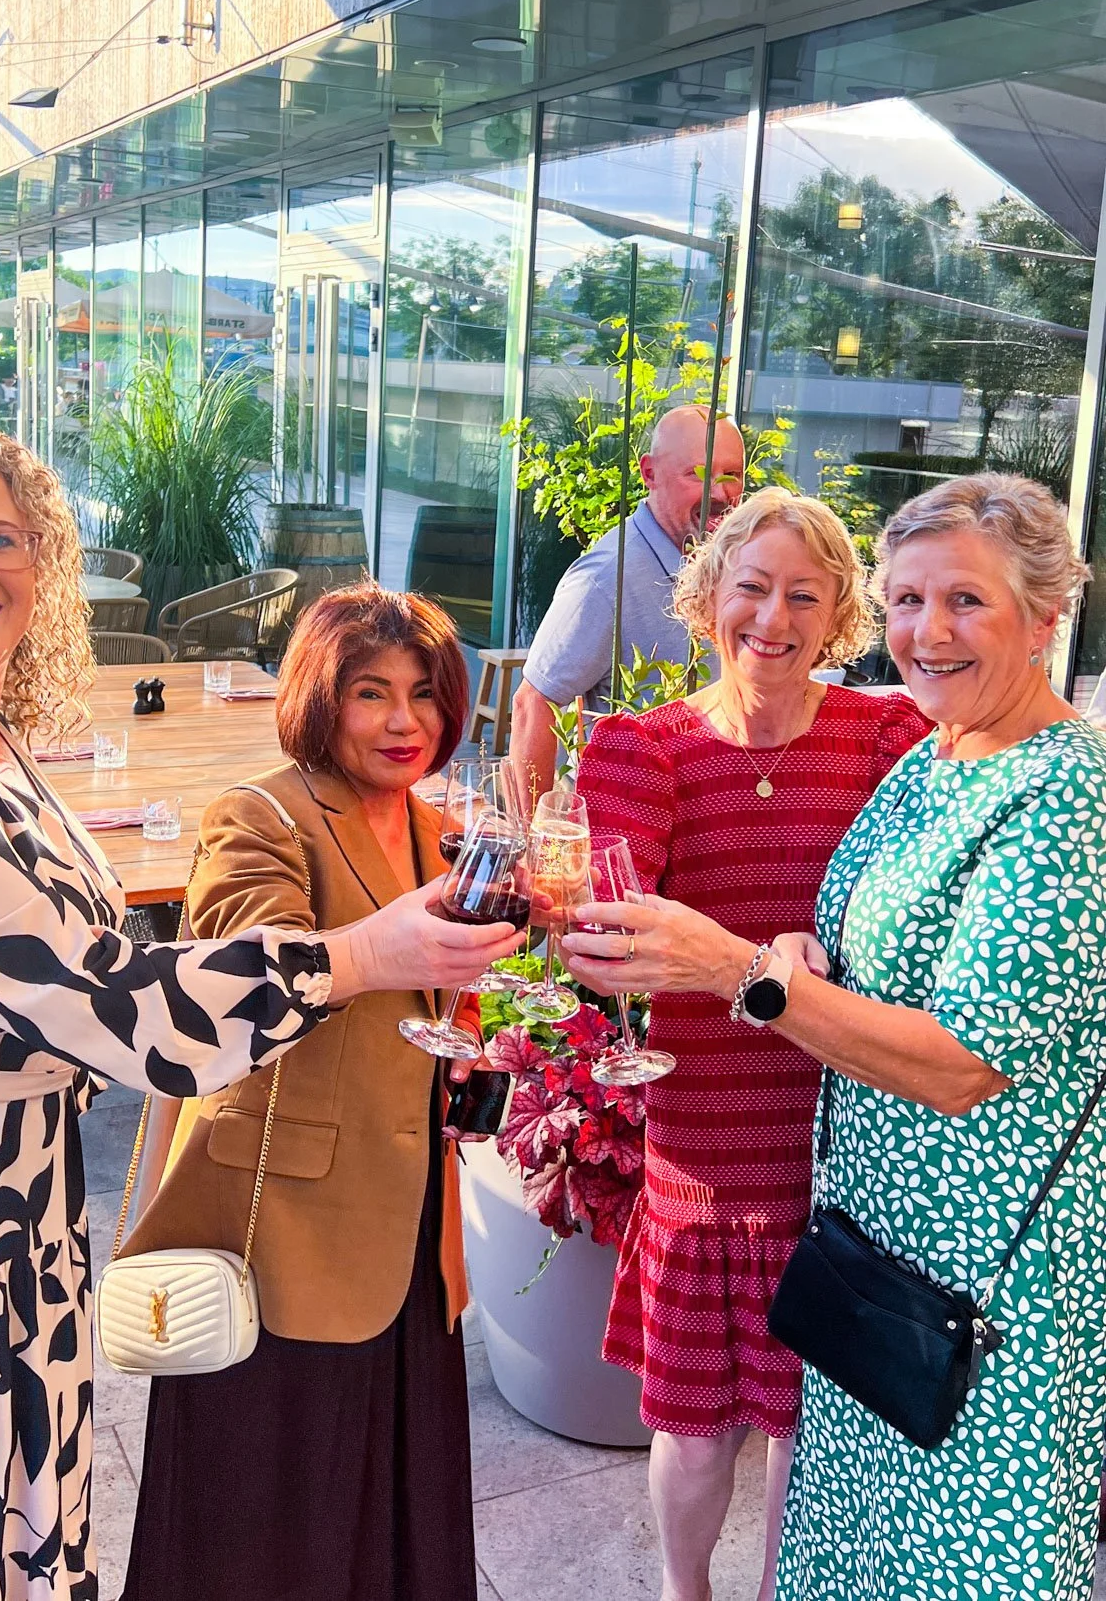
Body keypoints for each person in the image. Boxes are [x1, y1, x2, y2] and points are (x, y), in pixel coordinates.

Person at [0, 425, 522, 1601]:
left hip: (16, 1225)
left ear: (43, 565)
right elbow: (119, 1009)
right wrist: (359, 954)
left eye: (3, 538)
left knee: (17, 1540)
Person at [563, 472, 1106, 1601]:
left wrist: (741, 970)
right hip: (864, 1240)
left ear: (1045, 615)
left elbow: (963, 1065)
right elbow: (848, 936)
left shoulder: (1063, 794)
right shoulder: (931, 757)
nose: (927, 631)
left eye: (964, 601)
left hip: (977, 1279)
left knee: (961, 1564)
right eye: (908, 601)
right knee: (843, 1550)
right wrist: (807, 951)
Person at [571, 488, 928, 1601]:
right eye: (751, 587)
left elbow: (904, 917)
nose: (771, 618)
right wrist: (737, 952)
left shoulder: (886, 736)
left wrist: (795, 944)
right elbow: (608, 938)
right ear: (706, 597)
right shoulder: (644, 750)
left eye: (802, 596)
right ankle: (686, 1593)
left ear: (837, 619)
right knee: (695, 1421)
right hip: (708, 1138)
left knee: (804, 1424)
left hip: (844, 1132)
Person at [120, 581, 488, 1601]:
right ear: (322, 699)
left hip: (413, 1239)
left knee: (389, 1519)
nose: (403, 721)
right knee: (261, 1527)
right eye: (372, 693)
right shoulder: (261, 814)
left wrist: (489, 1045)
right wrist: (375, 950)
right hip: (283, 1235)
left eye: (423, 694)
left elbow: (428, 1012)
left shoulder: (432, 829)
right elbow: (248, 966)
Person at [510, 404, 746, 800]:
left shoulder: (726, 560)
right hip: (625, 830)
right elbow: (532, 704)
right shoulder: (606, 579)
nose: (721, 493)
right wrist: (538, 842)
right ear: (649, 473)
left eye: (732, 475)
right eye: (698, 475)